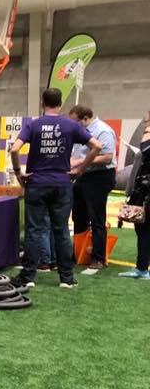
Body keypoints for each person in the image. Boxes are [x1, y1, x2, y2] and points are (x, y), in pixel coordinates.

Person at [10, 88, 103, 289]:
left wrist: (18, 173)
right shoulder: (71, 125)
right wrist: (80, 170)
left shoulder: (33, 125)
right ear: (60, 104)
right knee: (61, 231)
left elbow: (14, 149)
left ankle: (28, 277)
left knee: (34, 231)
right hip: (62, 184)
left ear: (42, 103)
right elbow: (97, 146)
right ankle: (67, 278)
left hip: (37, 184)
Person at [67, 105, 118, 275]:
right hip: (82, 176)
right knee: (78, 216)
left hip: (100, 177)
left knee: (96, 217)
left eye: (75, 121)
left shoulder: (103, 130)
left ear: (85, 119)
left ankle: (98, 258)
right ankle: (78, 253)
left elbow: (107, 157)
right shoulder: (79, 132)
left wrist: (80, 162)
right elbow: (75, 155)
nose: (72, 125)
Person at [118, 114, 150, 279]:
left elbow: (144, 153)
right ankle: (142, 267)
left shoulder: (147, 139)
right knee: (143, 229)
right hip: (142, 189)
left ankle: (142, 268)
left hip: (145, 191)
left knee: (143, 228)